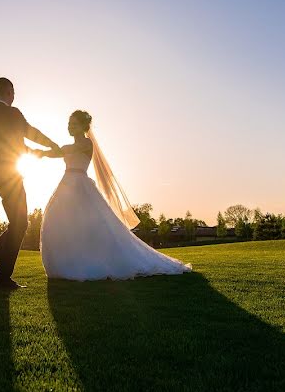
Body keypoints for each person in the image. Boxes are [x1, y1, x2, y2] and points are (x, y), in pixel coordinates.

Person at [36, 110, 191, 281]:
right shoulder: (69, 147)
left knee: (90, 225)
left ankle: (88, 262)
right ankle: (64, 264)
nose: (70, 127)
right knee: (58, 222)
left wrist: (49, 149)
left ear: (83, 126)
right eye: (69, 124)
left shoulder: (87, 144)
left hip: (81, 185)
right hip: (66, 185)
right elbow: (57, 152)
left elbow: (66, 150)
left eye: (74, 124)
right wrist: (40, 152)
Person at [0, 77, 58, 289]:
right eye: (13, 90)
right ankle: (1, 276)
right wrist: (51, 146)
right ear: (7, 91)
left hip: (0, 174)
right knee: (21, 224)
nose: (14, 94)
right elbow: (29, 133)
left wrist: (37, 152)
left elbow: (12, 145)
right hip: (10, 174)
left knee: (17, 224)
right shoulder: (13, 113)